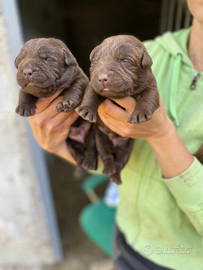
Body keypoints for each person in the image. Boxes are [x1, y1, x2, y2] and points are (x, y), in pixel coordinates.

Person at [28, 0, 203, 269]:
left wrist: (162, 134)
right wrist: (60, 146)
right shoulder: (149, 50)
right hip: (125, 240)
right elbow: (110, 158)